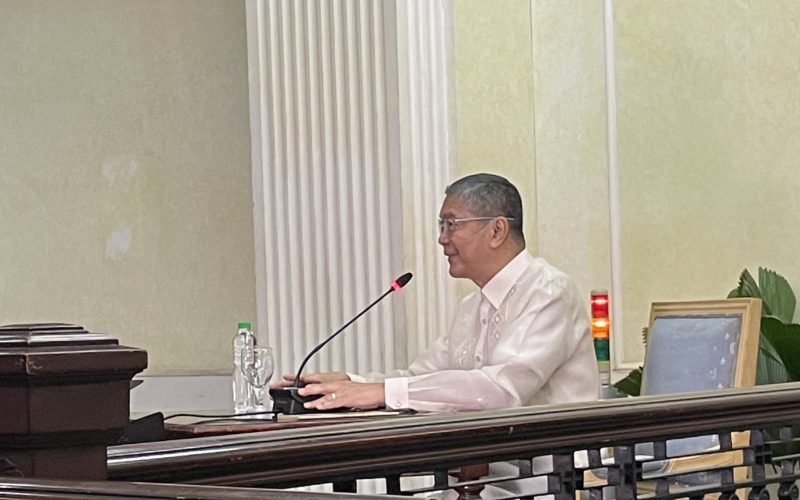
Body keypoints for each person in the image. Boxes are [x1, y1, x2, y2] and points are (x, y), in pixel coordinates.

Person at [275, 173, 600, 412]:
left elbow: (501, 389)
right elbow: (420, 377)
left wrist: (382, 392)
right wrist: (350, 384)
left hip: (552, 475)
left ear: (497, 230)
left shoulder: (548, 292)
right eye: (441, 226)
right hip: (483, 474)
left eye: (451, 224)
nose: (442, 239)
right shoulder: (471, 307)